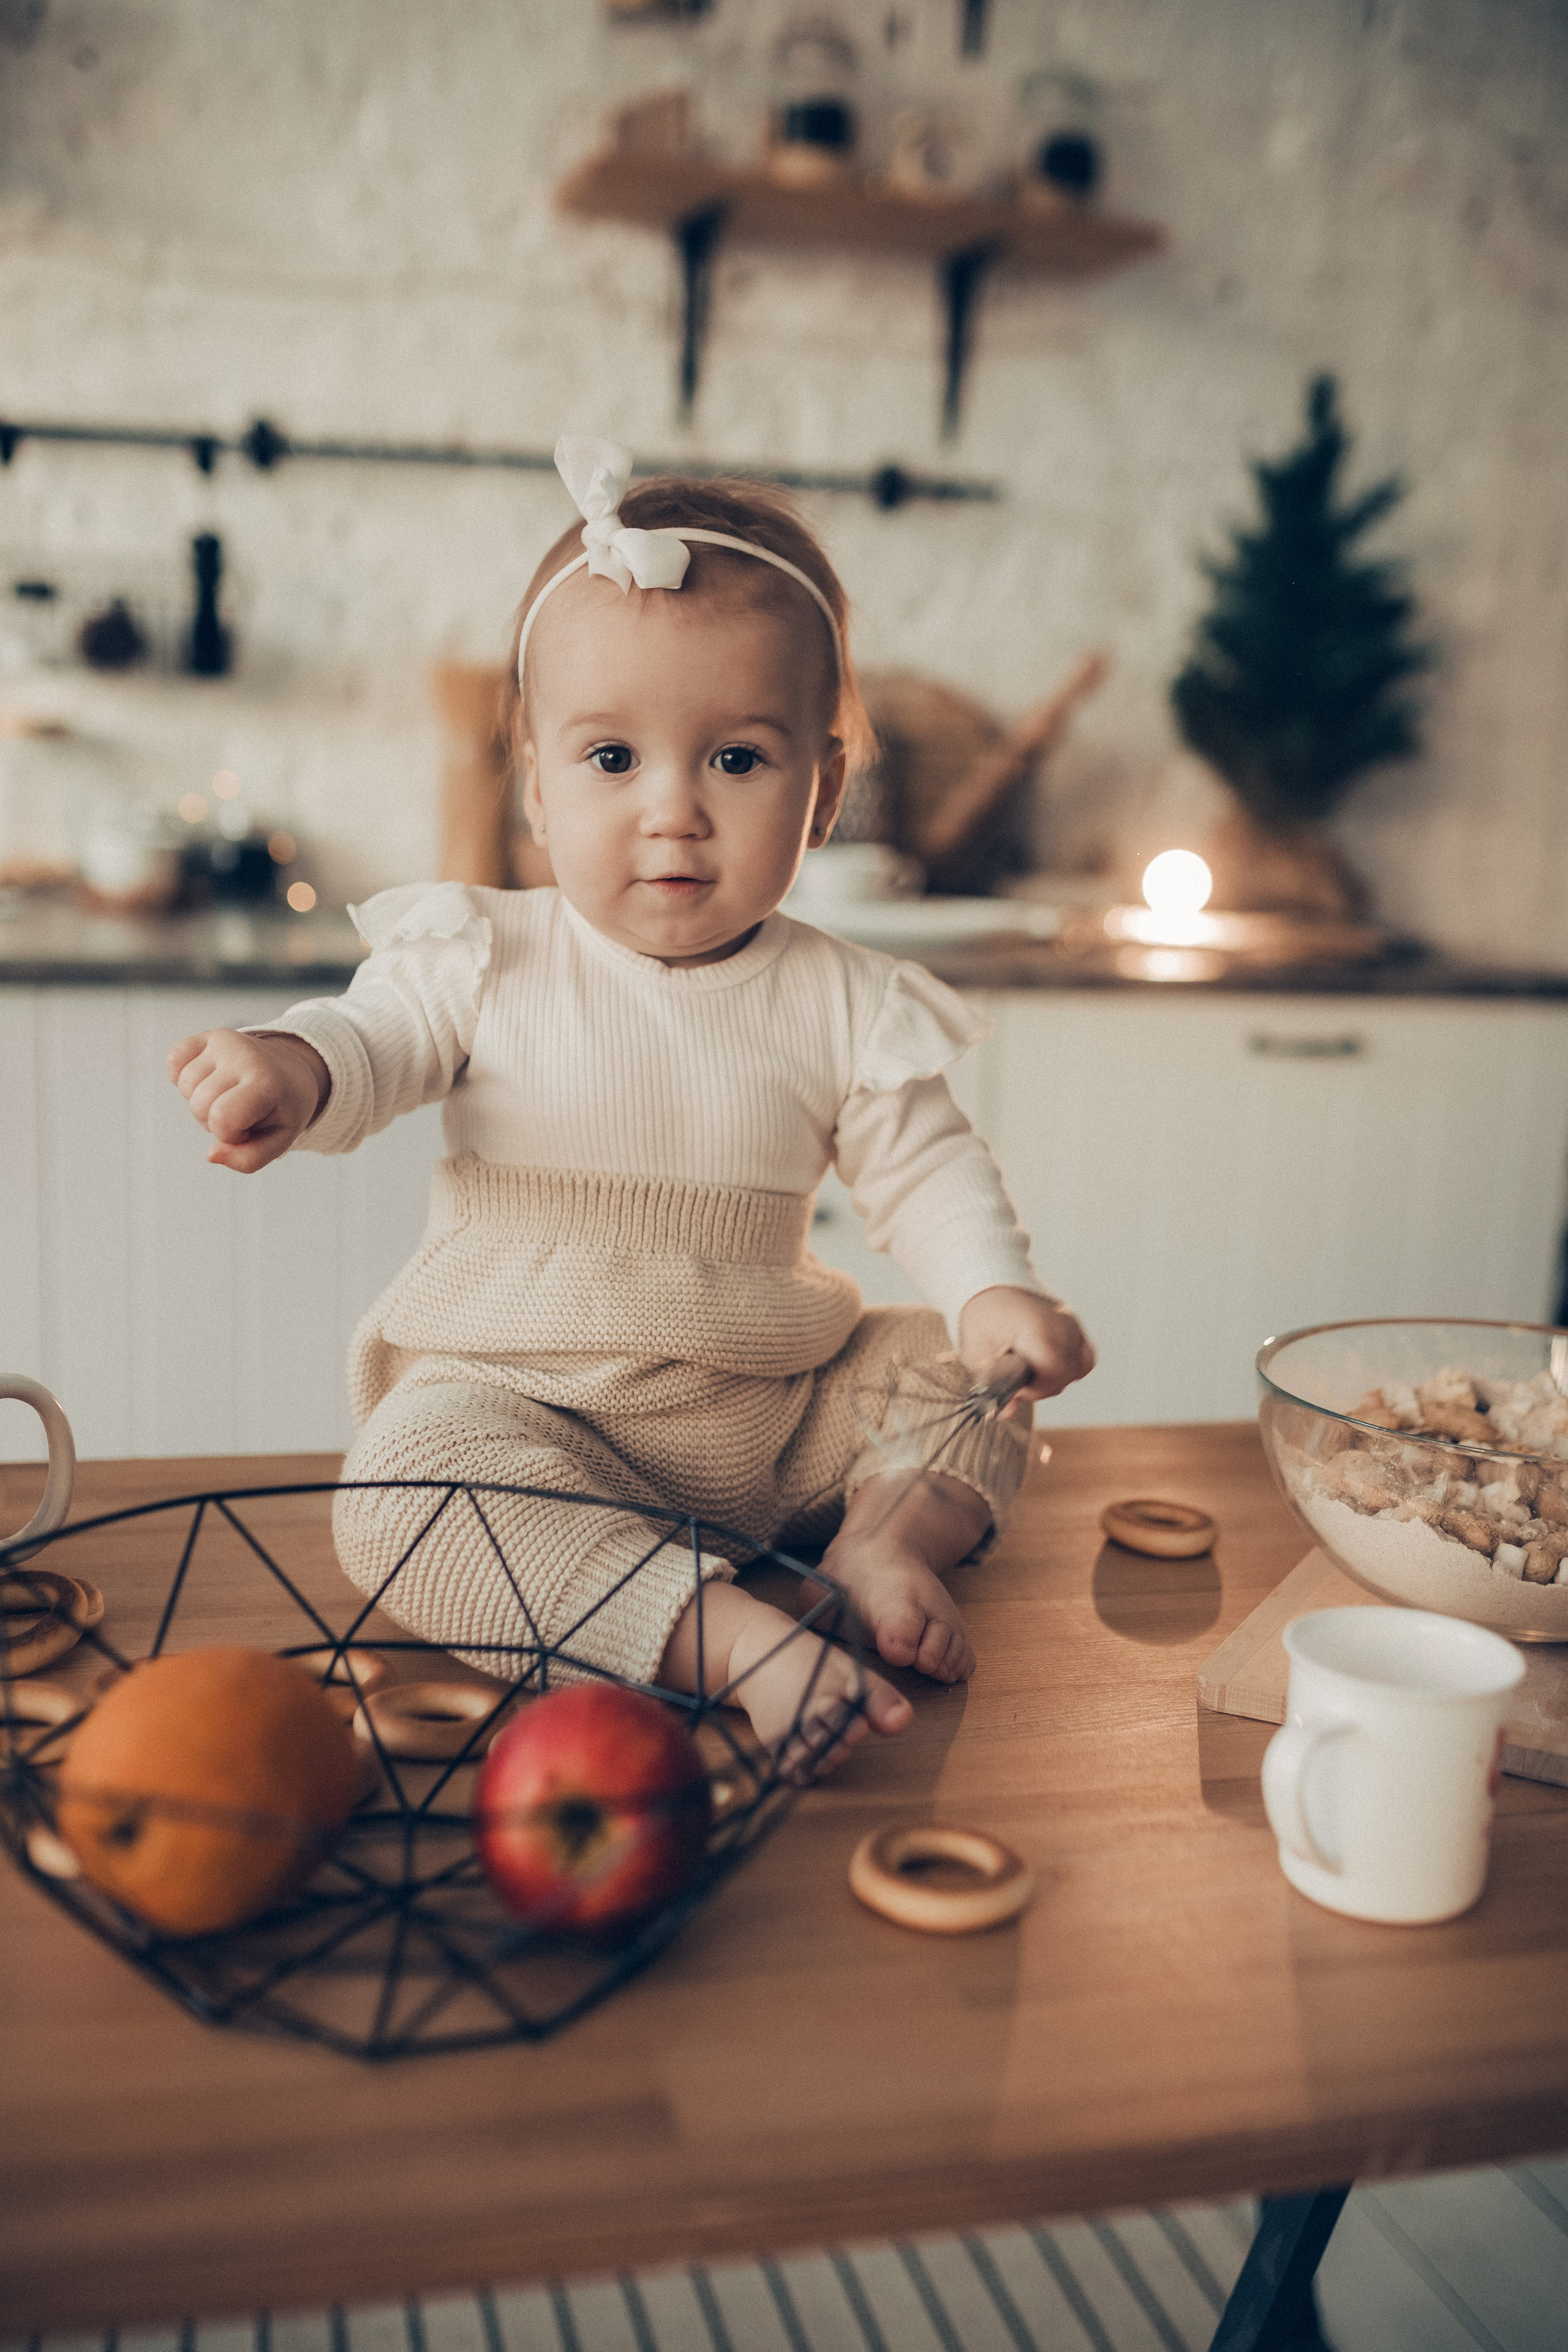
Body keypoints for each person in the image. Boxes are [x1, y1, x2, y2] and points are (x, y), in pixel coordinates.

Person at [169, 437, 1094, 1779]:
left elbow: (928, 1168)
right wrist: (290, 1068)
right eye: (612, 757)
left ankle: (882, 1541)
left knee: (966, 1381)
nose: (673, 813)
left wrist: (993, 1291)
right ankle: (726, 1641)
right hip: (521, 1413)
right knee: (398, 1492)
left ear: (823, 791)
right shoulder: (484, 955)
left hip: (770, 1423)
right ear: (537, 788)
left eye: (736, 759)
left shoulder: (843, 999)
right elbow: (374, 1039)